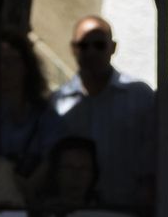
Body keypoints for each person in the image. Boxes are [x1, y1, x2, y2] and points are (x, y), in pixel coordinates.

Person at [50, 16, 154, 207]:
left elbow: (154, 158)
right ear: (73, 48)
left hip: (129, 209)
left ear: (113, 47)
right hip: (74, 210)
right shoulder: (58, 102)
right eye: (84, 45)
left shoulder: (140, 96)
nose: (91, 52)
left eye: (99, 45)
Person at [0, 32, 62, 183]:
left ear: (26, 66)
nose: (4, 69)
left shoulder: (46, 119)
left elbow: (53, 160)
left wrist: (28, 188)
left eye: (11, 61)